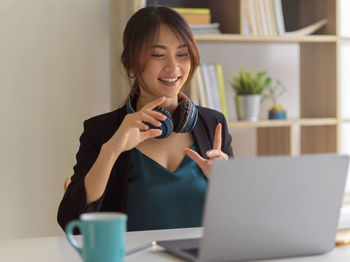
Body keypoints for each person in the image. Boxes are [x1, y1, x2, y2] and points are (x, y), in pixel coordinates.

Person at [57, 6, 233, 232]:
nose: (173, 67)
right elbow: (72, 222)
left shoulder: (213, 124)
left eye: (182, 54)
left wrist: (225, 184)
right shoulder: (102, 130)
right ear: (131, 63)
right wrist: (111, 150)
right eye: (158, 55)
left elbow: (238, 221)